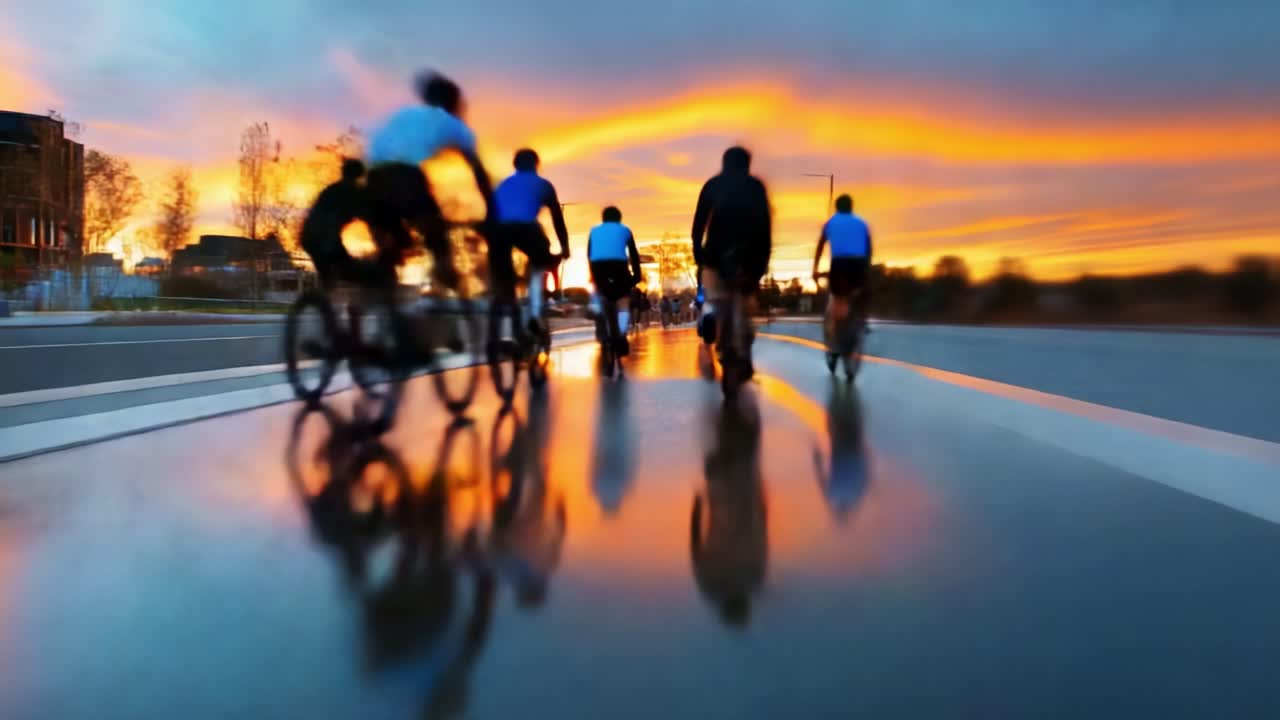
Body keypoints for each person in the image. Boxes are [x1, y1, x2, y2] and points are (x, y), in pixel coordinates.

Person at [364, 71, 494, 290]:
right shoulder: (451, 122)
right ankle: (445, 275)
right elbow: (478, 171)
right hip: (405, 177)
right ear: (453, 102)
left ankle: (377, 292)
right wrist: (492, 211)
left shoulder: (402, 115)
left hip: (373, 180)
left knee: (393, 241)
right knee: (436, 233)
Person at [691, 146, 773, 361]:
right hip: (750, 255)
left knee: (716, 297)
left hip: (716, 253)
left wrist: (698, 252)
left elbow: (699, 224)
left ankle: (715, 321)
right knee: (745, 300)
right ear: (747, 163)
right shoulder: (756, 187)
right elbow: (765, 226)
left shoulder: (712, 185)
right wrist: (762, 261)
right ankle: (744, 337)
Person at [491, 148, 571, 336]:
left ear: (515, 165)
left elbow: (491, 213)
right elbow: (557, 219)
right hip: (526, 228)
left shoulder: (503, 185)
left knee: (503, 276)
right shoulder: (543, 184)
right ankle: (534, 315)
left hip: (499, 230)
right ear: (536, 165)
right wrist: (565, 246)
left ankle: (504, 315)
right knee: (539, 264)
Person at [811, 193, 872, 364]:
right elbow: (869, 248)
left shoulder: (830, 223)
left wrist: (815, 270)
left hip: (840, 266)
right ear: (851, 207)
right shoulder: (862, 223)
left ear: (837, 208)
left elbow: (820, 246)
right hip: (859, 265)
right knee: (861, 294)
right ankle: (862, 320)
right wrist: (866, 269)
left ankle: (836, 344)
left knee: (838, 299)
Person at [299, 158, 376, 291]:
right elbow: (368, 216)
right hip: (325, 240)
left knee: (329, 279)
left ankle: (313, 304)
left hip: (309, 238)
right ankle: (356, 304)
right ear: (358, 176)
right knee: (355, 273)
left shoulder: (331, 190)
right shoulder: (351, 192)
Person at [587, 206, 642, 355]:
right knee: (623, 299)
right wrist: (637, 276)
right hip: (618, 266)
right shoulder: (625, 230)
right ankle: (621, 334)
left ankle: (600, 316)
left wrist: (593, 276)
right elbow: (634, 255)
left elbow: (589, 255)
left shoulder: (593, 231)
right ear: (619, 218)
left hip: (598, 266)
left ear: (603, 218)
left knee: (601, 293)